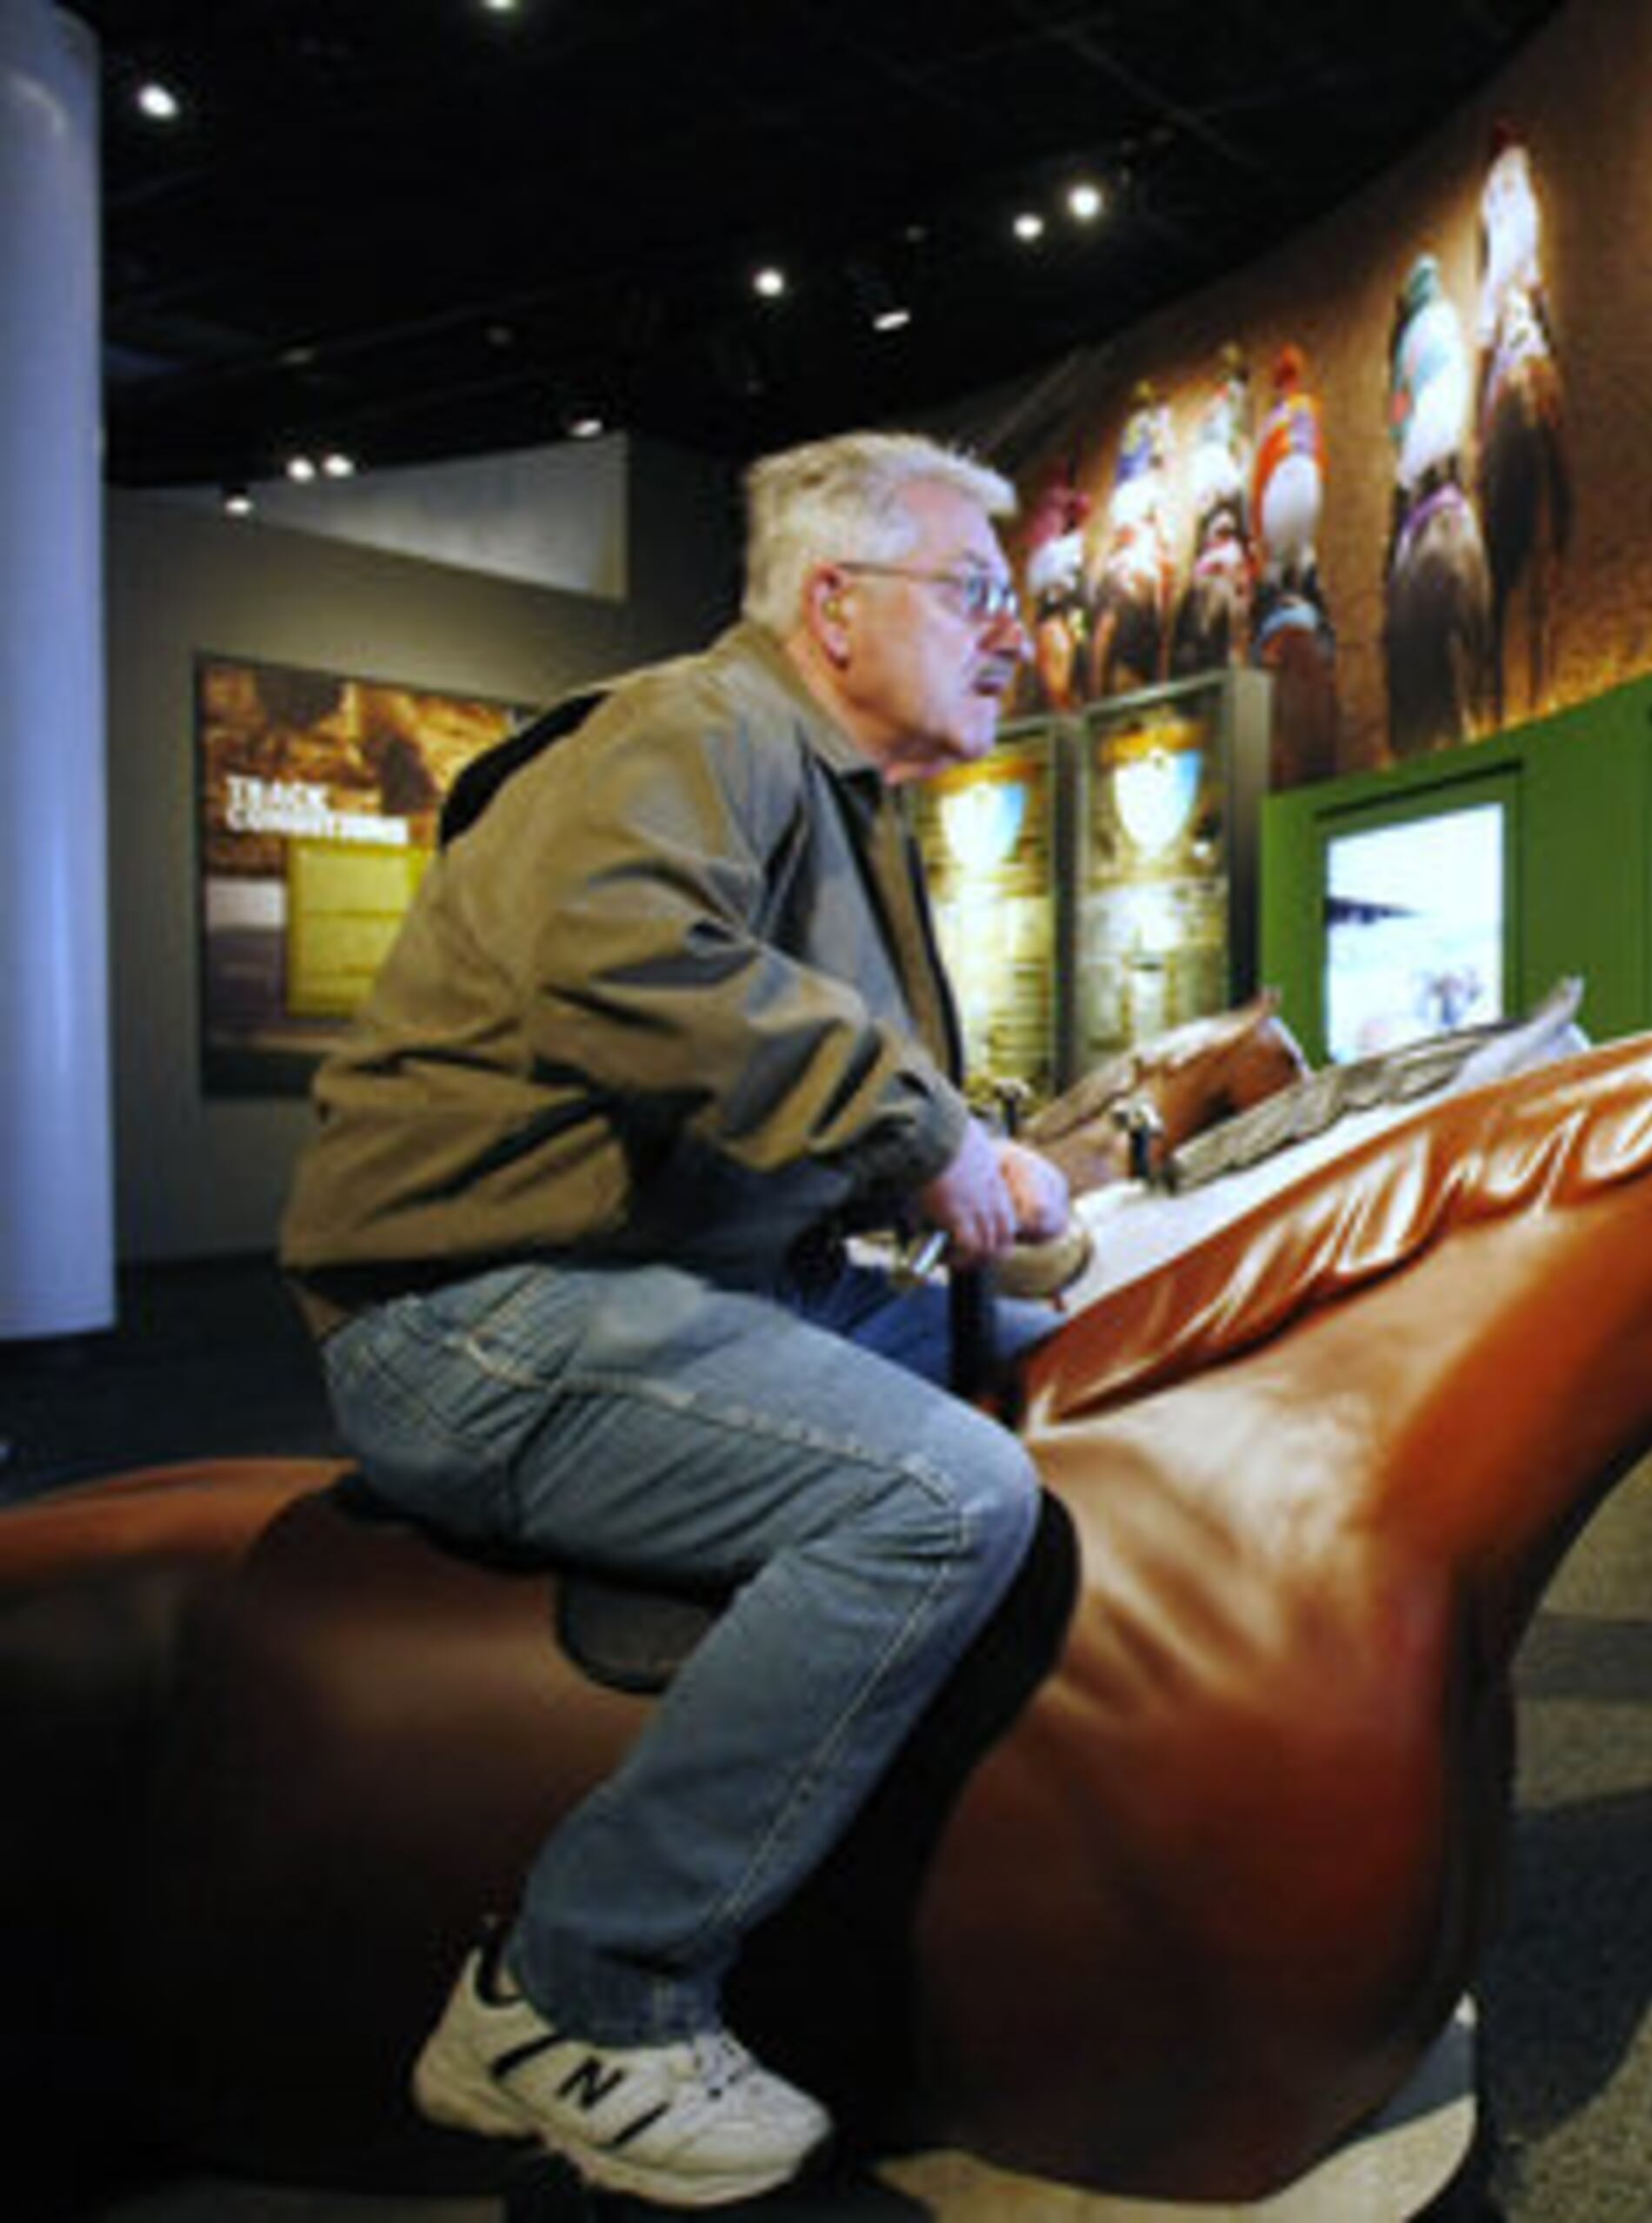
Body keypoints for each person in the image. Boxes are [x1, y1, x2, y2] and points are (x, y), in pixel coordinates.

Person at [278, 430, 1075, 2209]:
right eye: (976, 592)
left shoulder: (838, 797)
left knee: (1070, 1366)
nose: (1012, 633)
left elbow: (754, 1100)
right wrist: (923, 1134)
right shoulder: (701, 728)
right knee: (939, 1495)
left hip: (671, 1277)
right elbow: (629, 962)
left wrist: (956, 1163)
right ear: (833, 603)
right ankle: (578, 1989)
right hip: (481, 1307)